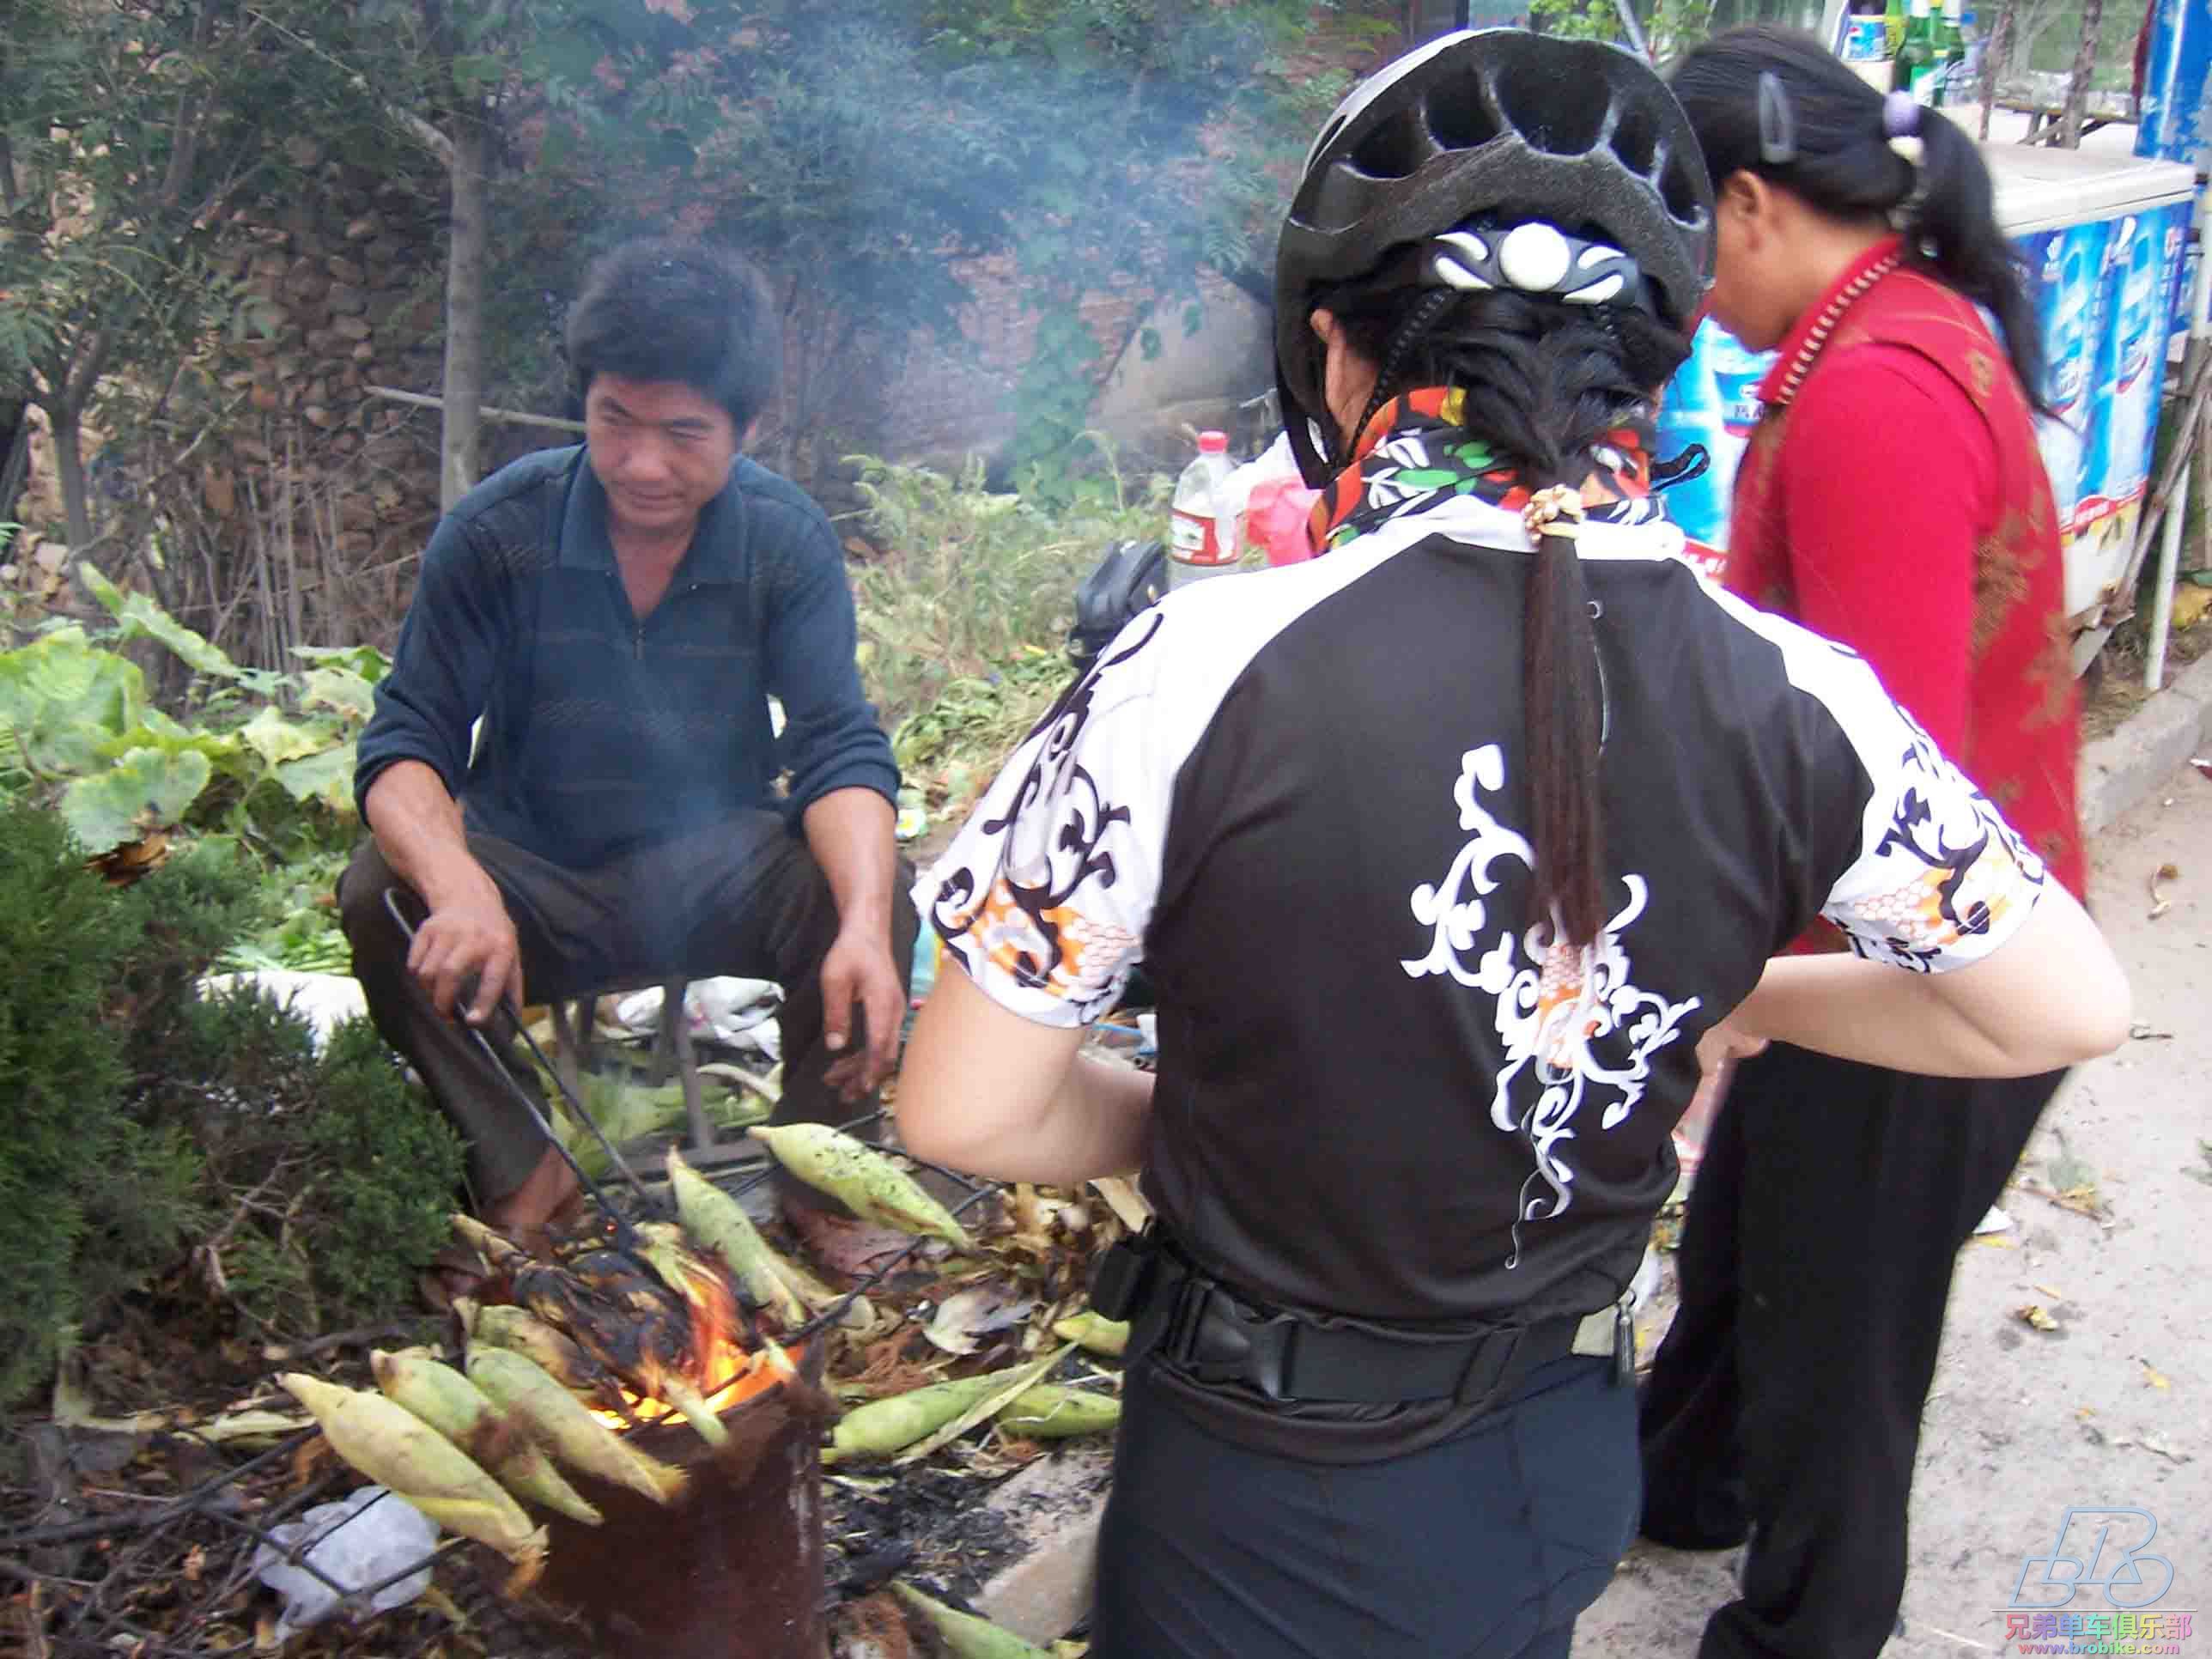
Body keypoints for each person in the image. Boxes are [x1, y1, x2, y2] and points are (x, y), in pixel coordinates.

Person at [892, 28, 2129, 1659]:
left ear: (1339, 357)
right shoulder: (1802, 695)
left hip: (1266, 1489)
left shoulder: (1191, 667)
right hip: (1555, 1464)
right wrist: (1745, 993)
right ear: (1641, 376)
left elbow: (964, 1108)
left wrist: (1176, 1122)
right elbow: (2063, 1010)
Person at [1636, 29, 2087, 1659]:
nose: (1677, 287)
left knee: (1839, 1329)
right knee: (1759, 1235)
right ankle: (1677, 1479)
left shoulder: (1869, 396)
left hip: (1939, 970)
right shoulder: (1891, 331)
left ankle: (1806, 1632)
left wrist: (1744, 992)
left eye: (1679, 236)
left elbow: (1882, 779)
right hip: (1937, 936)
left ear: (1746, 205)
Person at [339, 239, 915, 1295]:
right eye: (615, 421)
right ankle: (524, 1168)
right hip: (532, 882)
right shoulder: (499, 533)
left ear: (747, 429)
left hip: (710, 869)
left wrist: (868, 926)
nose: (643, 465)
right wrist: (463, 885)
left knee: (867, 891)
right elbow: (404, 742)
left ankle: (819, 1177)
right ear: (585, 406)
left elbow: (838, 744)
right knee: (382, 894)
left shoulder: (783, 541)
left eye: (683, 434)